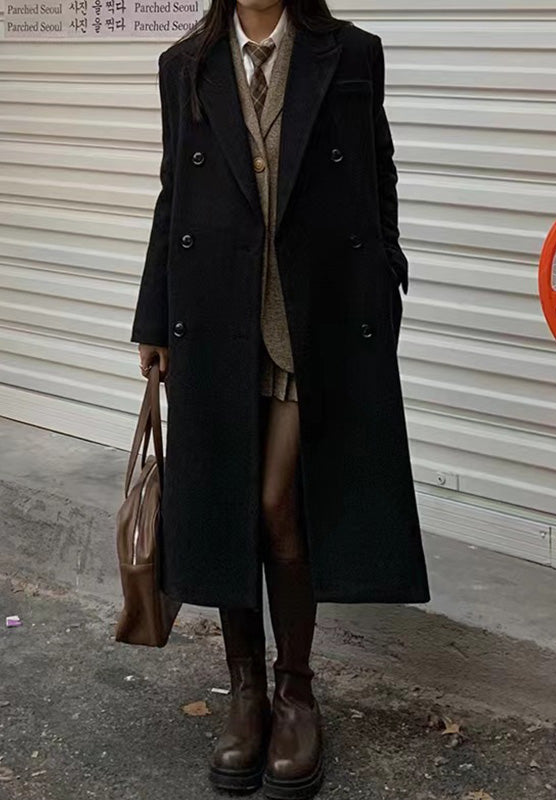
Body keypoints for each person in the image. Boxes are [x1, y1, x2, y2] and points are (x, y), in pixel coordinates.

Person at [131, 1, 430, 797]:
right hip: (214, 323)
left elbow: (379, 175)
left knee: (276, 504)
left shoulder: (351, 54)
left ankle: (296, 691)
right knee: (230, 502)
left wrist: (383, 282)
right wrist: (153, 320)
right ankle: (247, 694)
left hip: (314, 322)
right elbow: (172, 193)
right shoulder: (184, 66)